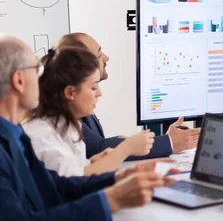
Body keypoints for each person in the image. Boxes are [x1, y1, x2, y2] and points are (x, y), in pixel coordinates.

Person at [0, 35, 175, 220]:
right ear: (19, 80)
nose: (42, 77)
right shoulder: (23, 138)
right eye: (37, 69)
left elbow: (54, 186)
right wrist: (111, 200)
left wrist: (119, 178)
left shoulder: (17, 136)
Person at [53, 33, 200, 160]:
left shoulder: (76, 100)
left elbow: (99, 146)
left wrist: (163, 141)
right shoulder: (60, 109)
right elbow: (98, 148)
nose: (106, 57)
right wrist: (169, 142)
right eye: (98, 54)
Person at [23, 47, 155, 176]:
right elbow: (72, 184)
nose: (99, 93)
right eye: (93, 88)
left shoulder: (69, 125)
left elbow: (77, 170)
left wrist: (92, 163)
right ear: (70, 92)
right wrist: (126, 148)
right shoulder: (41, 136)